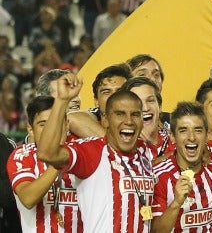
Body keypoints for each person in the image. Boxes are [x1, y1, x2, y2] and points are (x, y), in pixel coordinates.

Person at [37, 75, 156, 232]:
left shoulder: (145, 151)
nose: (129, 121)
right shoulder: (91, 150)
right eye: (120, 114)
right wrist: (61, 101)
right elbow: (47, 153)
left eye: (135, 114)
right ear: (105, 120)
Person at [7, 96, 84, 232]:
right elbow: (28, 198)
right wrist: (57, 160)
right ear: (30, 129)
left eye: (56, 122)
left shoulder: (82, 152)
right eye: (43, 124)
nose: (51, 130)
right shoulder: (22, 155)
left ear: (66, 124)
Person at [152, 101, 212, 233]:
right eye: (183, 130)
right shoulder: (159, 176)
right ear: (173, 136)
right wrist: (176, 203)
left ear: (207, 135)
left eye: (198, 130)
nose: (191, 137)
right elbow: (154, 231)